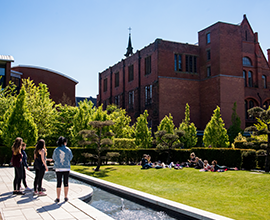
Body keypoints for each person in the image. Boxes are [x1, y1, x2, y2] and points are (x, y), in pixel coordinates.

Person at [52, 136, 73, 203]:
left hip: (58, 168)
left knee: (58, 182)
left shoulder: (56, 150)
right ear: (64, 142)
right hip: (66, 167)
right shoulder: (68, 150)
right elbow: (71, 157)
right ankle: (65, 197)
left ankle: (58, 197)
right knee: (66, 182)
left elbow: (54, 158)